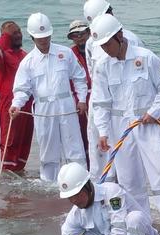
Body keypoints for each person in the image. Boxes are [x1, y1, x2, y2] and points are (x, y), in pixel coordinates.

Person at [90, 14, 160, 235]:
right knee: (129, 180)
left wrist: (154, 112)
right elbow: (100, 102)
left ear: (119, 36)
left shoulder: (146, 58)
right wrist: (103, 132)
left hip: (149, 125)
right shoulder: (103, 67)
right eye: (101, 45)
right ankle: (141, 223)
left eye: (107, 43)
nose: (105, 49)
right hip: (121, 130)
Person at [10, 13, 88, 183]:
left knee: (74, 147)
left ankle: (82, 182)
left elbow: (79, 78)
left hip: (66, 105)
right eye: (39, 38)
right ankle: (48, 185)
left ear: (51, 34)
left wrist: (81, 99)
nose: (44, 40)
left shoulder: (65, 53)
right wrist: (17, 104)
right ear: (32, 37)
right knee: (48, 150)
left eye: (46, 36)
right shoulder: (28, 62)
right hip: (44, 109)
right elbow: (22, 89)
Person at [58, 162, 159, 235]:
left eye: (77, 195)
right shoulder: (75, 214)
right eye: (70, 197)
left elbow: (120, 229)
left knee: (134, 219)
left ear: (87, 186)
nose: (74, 200)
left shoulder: (112, 192)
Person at [83, 0, 143, 181]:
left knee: (127, 157)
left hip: (126, 105)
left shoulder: (130, 39)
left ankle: (125, 196)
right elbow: (93, 74)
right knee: (99, 153)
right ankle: (101, 195)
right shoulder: (90, 43)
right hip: (99, 101)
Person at [0, 21, 33, 173]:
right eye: (13, 33)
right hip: (9, 104)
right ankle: (6, 174)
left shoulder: (25, 55)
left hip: (27, 103)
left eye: (19, 31)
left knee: (24, 140)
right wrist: (5, 37)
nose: (18, 34)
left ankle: (20, 172)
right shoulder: (1, 56)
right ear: (5, 37)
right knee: (10, 140)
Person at [68, 20, 92, 167]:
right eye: (75, 35)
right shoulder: (69, 54)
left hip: (98, 97)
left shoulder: (100, 49)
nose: (80, 37)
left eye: (82, 33)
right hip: (79, 101)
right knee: (81, 136)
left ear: (89, 33)